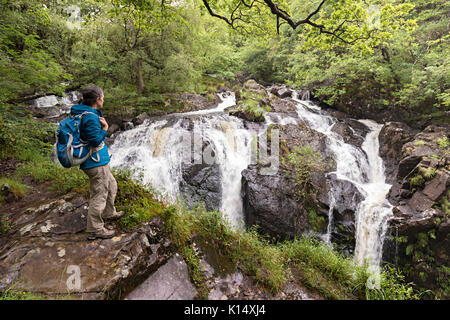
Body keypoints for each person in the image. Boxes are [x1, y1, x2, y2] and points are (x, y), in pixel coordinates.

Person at [70, 85, 124, 240]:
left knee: (111, 184)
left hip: (98, 160)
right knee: (99, 194)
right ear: (98, 99)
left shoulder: (84, 112)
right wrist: (105, 128)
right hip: (95, 161)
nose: (104, 99)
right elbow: (95, 140)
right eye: (103, 97)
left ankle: (109, 212)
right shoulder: (90, 117)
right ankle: (95, 229)